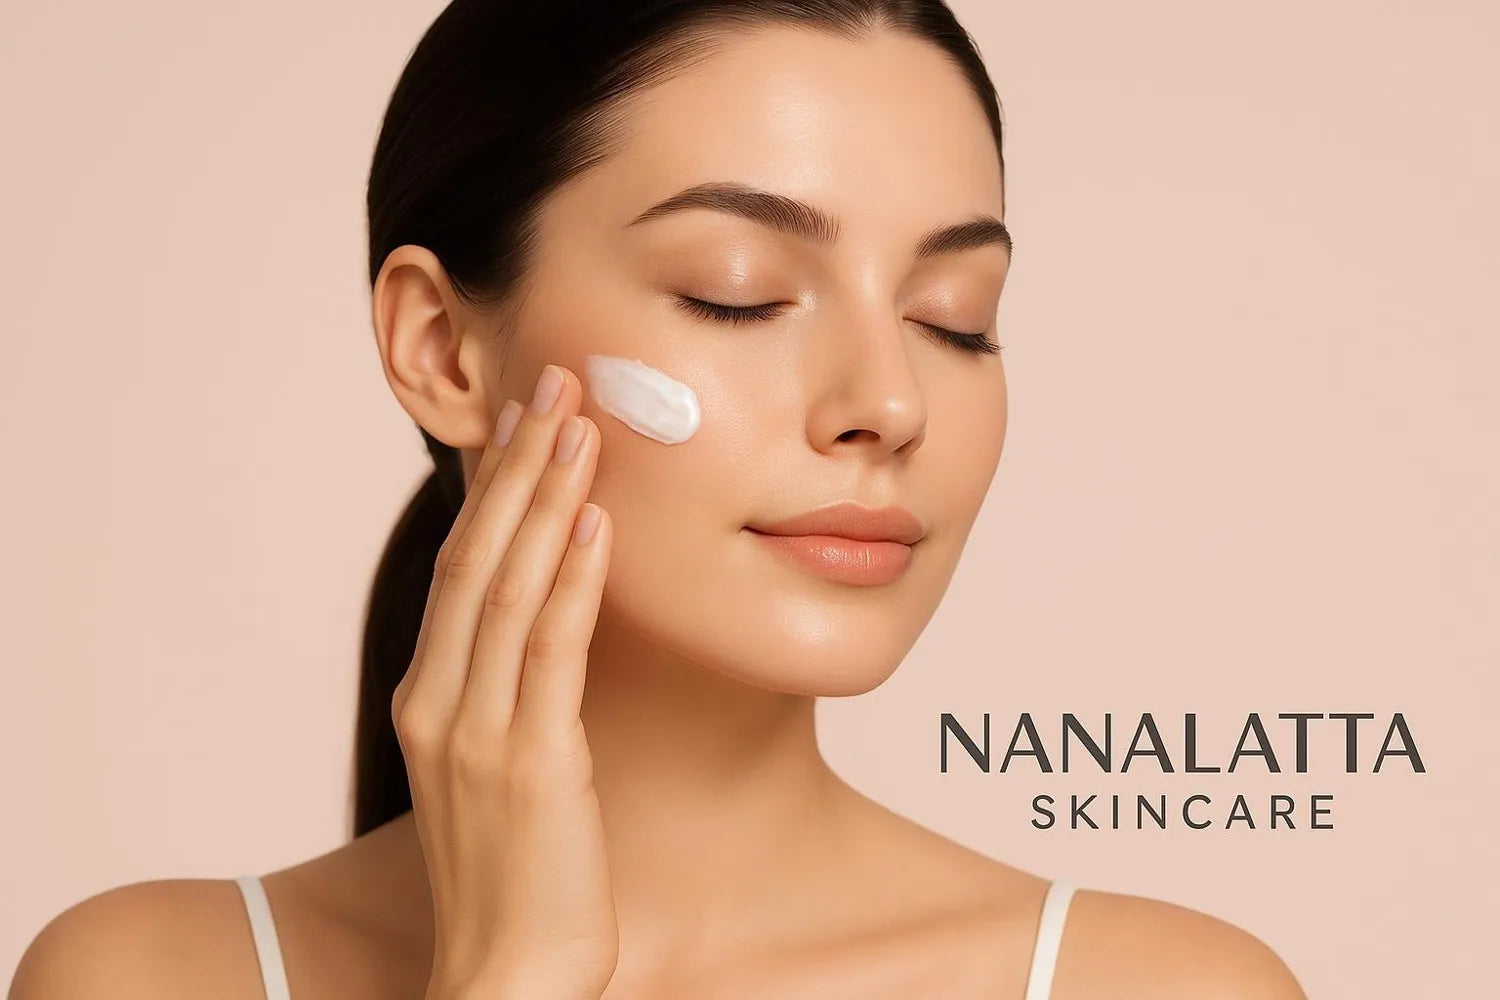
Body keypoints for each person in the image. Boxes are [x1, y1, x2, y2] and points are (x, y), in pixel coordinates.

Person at [10, 2, 1307, 997]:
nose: (890, 400)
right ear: (442, 350)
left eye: (953, 318)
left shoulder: (1159, 986)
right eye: (735, 290)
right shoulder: (151, 975)